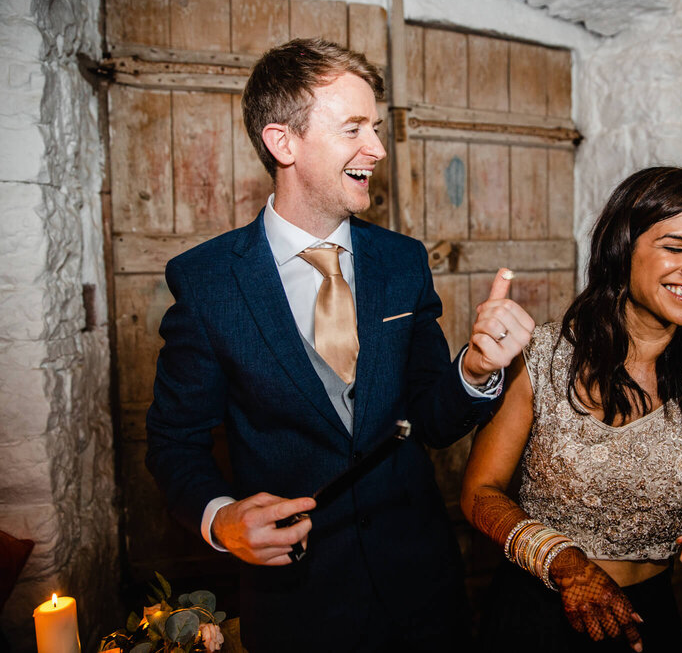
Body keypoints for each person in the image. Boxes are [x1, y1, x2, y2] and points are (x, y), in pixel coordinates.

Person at [145, 38, 534, 652]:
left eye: (375, 128)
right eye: (353, 128)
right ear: (284, 143)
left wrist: (476, 368)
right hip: (298, 606)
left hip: (423, 591)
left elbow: (430, 419)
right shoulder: (208, 282)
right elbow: (174, 441)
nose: (376, 149)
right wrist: (221, 517)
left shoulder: (402, 263)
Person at [460, 167, 682, 652]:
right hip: (536, 607)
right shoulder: (545, 355)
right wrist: (566, 564)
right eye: (676, 247)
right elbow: (478, 493)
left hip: (648, 613)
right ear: (622, 250)